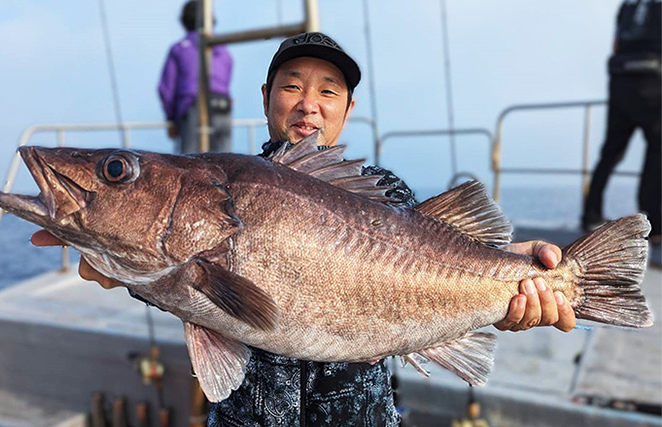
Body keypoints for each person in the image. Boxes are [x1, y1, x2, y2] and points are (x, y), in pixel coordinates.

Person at [32, 32, 576, 427]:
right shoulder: (225, 180)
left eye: (328, 91)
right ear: (267, 96)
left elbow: (446, 260)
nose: (308, 104)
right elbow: (192, 286)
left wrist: (519, 275)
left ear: (349, 108)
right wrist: (122, 268)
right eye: (292, 86)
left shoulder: (386, 192)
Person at [582, 0, 660, 244]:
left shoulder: (628, 6)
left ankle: (590, 215)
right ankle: (653, 224)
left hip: (621, 87)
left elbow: (616, 44)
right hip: (654, 85)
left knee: (609, 153)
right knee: (656, 153)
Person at [158, 0, 233, 154]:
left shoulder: (179, 49)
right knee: (225, 164)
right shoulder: (222, 48)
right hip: (223, 107)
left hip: (192, 107)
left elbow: (166, 89)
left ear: (184, 21)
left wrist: (171, 119)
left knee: (189, 164)